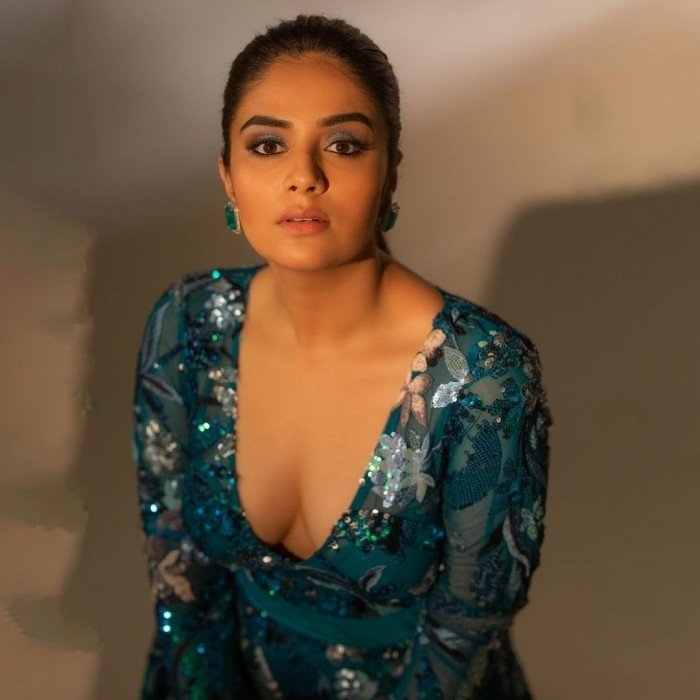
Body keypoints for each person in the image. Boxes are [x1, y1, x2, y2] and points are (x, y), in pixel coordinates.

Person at [132, 13, 554, 699]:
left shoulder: (484, 373)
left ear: (390, 174)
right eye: (268, 145)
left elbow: (466, 627)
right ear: (229, 177)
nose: (303, 176)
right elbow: (182, 586)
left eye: (344, 144)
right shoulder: (188, 323)